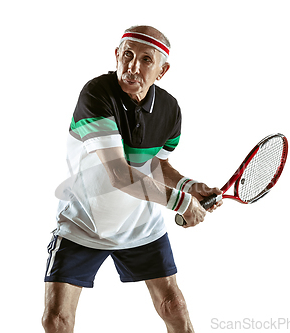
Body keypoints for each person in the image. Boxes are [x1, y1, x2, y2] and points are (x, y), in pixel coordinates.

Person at [42, 25, 222, 333]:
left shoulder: (169, 110)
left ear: (162, 71)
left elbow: (154, 165)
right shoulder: (96, 94)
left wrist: (189, 186)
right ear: (116, 56)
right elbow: (120, 175)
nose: (133, 66)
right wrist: (181, 203)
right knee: (56, 319)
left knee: (174, 306)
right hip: (83, 224)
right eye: (127, 55)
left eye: (146, 60)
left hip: (141, 226)